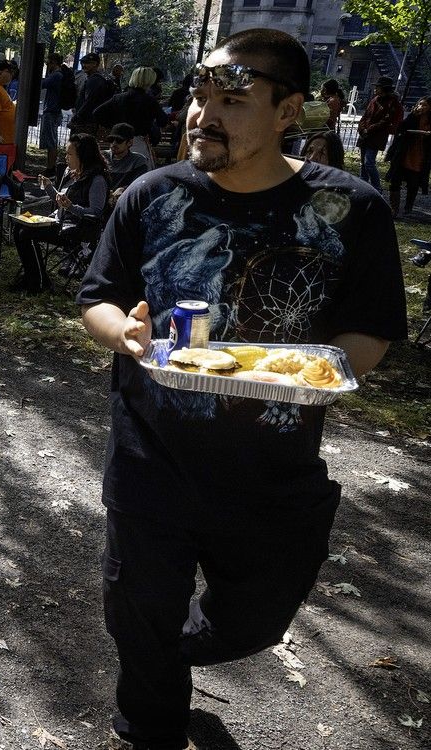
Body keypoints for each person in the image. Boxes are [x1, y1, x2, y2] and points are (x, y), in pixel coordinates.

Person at [78, 28, 407, 750]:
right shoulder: (151, 195)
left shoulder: (352, 211)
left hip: (273, 478)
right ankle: (151, 726)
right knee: (138, 611)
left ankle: (174, 651)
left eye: (232, 99)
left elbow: (371, 328)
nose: (204, 115)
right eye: (200, 96)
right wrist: (124, 334)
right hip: (150, 464)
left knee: (253, 621)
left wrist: (320, 372)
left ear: (289, 110)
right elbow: (98, 297)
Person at [12, 132, 108, 294]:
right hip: (60, 221)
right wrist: (49, 187)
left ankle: (38, 281)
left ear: (83, 156)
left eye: (70, 154)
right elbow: (61, 201)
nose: (66, 157)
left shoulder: (97, 179)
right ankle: (33, 276)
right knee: (18, 227)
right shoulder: (71, 173)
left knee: (26, 232)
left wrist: (71, 207)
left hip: (78, 230)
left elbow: (95, 213)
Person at [93, 66, 169, 170]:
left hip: (118, 141)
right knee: (140, 176)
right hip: (138, 142)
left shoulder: (119, 98)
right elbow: (163, 121)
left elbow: (97, 113)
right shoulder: (150, 100)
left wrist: (113, 127)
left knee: (115, 172)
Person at [387, 96, 431, 218]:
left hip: (419, 156)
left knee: (413, 184)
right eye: (420, 104)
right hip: (404, 154)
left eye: (425, 105)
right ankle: (394, 209)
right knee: (395, 181)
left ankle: (408, 207)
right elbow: (401, 129)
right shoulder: (412, 117)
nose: (421, 107)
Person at [357, 76, 404, 190]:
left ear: (384, 88)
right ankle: (362, 187)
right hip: (365, 135)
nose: (375, 89)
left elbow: (385, 121)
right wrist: (362, 128)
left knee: (369, 162)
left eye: (378, 87)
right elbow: (366, 115)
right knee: (363, 163)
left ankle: (377, 188)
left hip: (376, 136)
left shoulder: (392, 103)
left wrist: (369, 129)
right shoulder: (375, 99)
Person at [70, 52, 115, 135]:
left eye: (87, 63)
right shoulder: (96, 78)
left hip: (86, 122)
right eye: (82, 63)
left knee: (79, 145)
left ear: (95, 64)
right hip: (89, 121)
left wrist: (76, 117)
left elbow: (89, 102)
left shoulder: (94, 80)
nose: (83, 65)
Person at [103, 122, 149, 204]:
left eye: (119, 140)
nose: (114, 143)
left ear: (130, 143)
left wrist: (124, 189)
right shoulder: (103, 157)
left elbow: (140, 184)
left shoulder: (138, 160)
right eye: (111, 140)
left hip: (125, 201)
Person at [39, 52, 66, 175]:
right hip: (54, 110)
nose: (47, 65)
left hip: (51, 111)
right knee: (51, 140)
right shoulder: (59, 75)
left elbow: (42, 84)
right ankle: (50, 167)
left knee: (51, 141)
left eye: (48, 62)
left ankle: (51, 168)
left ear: (53, 62)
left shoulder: (56, 76)